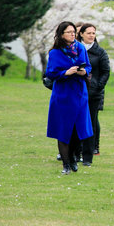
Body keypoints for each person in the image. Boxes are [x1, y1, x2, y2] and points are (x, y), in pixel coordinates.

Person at [45, 21, 94, 174]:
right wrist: (65, 73)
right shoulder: (55, 53)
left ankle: (73, 158)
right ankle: (66, 164)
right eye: (69, 32)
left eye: (73, 31)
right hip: (63, 94)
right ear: (61, 34)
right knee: (63, 129)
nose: (73, 34)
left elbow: (88, 66)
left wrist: (83, 71)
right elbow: (50, 73)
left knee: (77, 129)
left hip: (79, 93)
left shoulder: (80, 48)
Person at [78, 23, 110, 161]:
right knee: (75, 122)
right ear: (81, 34)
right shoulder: (75, 49)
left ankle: (88, 153)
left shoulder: (100, 52)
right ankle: (74, 151)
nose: (91, 35)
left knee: (90, 122)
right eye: (89, 33)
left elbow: (105, 72)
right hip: (77, 91)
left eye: (93, 33)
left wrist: (97, 87)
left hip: (93, 93)